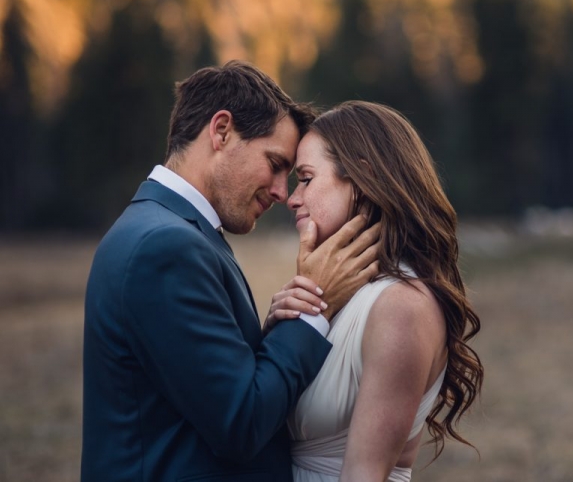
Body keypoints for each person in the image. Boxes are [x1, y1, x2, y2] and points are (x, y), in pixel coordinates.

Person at [81, 61, 380, 482]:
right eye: (275, 163)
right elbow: (240, 422)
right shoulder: (165, 248)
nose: (281, 192)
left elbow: (208, 386)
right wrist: (315, 305)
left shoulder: (172, 231)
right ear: (221, 130)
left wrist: (278, 328)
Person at [268, 101, 484, 481]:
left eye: (305, 178)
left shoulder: (402, 306)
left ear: (363, 181)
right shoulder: (338, 293)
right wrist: (281, 332)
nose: (292, 197)